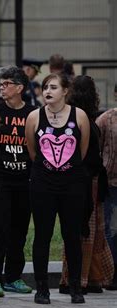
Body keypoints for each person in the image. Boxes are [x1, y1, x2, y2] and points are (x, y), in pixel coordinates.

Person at [25, 72, 90, 305]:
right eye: (45, 87)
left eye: (53, 87)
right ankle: (42, 288)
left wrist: (66, 171)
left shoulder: (79, 116)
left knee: (71, 236)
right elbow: (32, 151)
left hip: (72, 184)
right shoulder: (34, 117)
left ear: (65, 91)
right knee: (42, 235)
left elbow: (81, 152)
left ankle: (75, 287)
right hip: (43, 183)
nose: (48, 91)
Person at [59, 75, 114, 294]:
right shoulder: (90, 119)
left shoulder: (69, 118)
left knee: (79, 230)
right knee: (90, 231)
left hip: (78, 179)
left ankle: (78, 278)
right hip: (89, 181)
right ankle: (88, 278)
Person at [0, 66, 35, 297]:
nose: (2, 87)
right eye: (1, 84)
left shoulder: (33, 114)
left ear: (19, 87)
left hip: (24, 180)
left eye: (6, 83)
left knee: (19, 230)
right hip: (0, 180)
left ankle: (13, 277)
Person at [96, 84, 117, 290]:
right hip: (112, 183)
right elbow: (96, 147)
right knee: (112, 229)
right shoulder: (106, 119)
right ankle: (112, 273)